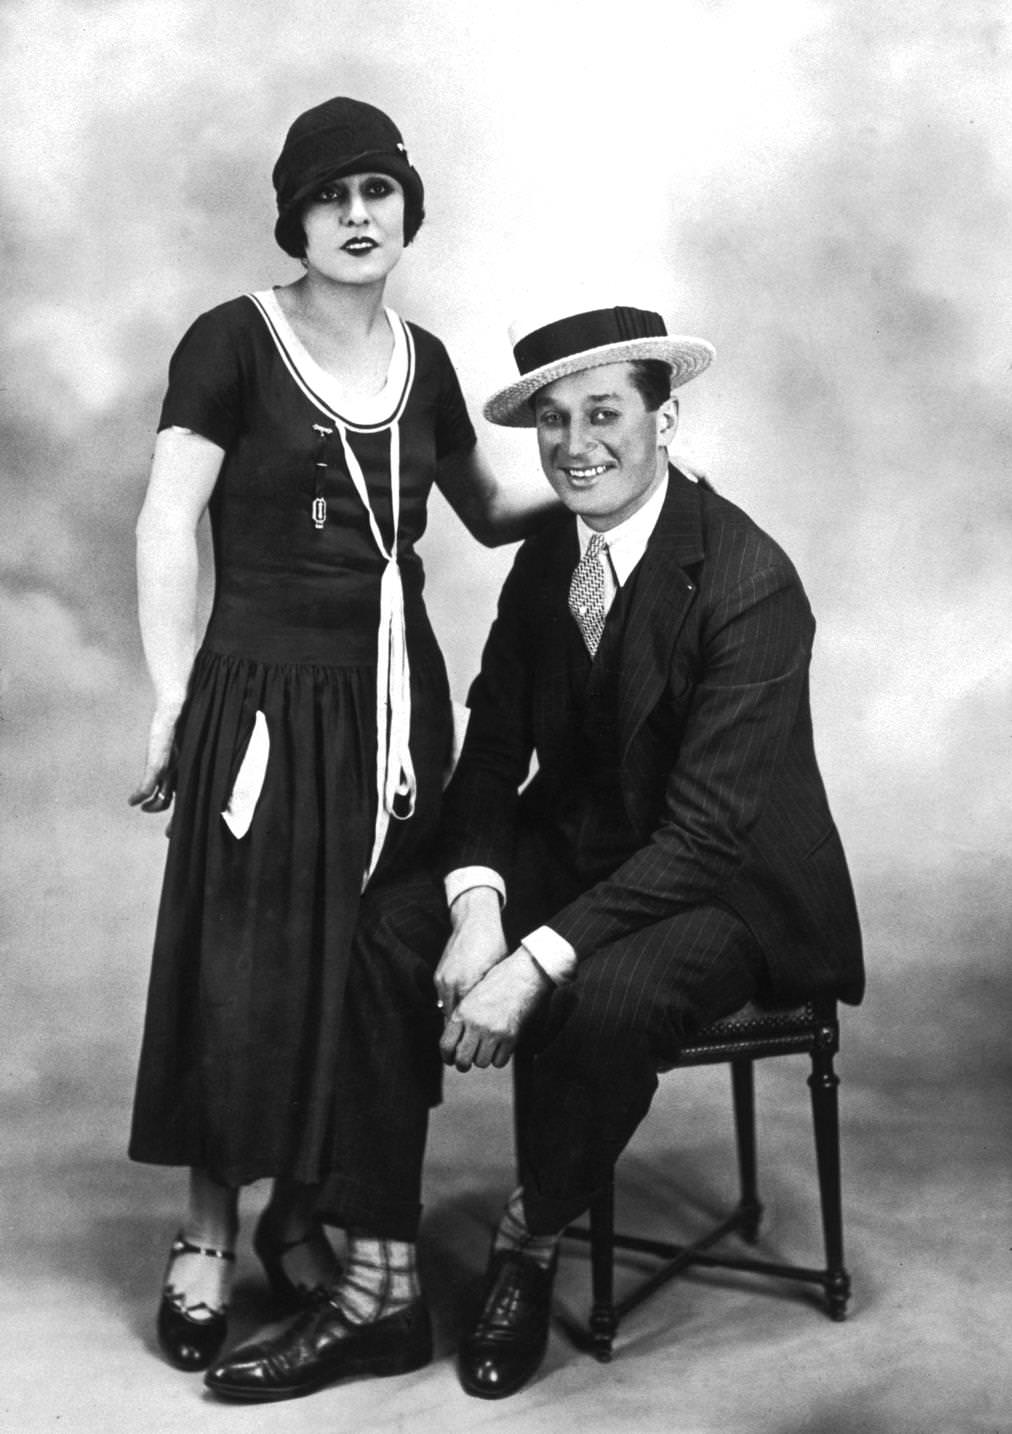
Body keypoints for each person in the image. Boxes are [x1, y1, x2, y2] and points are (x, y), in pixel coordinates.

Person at [202, 299, 863, 1405]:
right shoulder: (552, 548)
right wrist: (473, 907)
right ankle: (379, 1283)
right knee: (388, 929)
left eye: (603, 413)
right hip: (590, 854)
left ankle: (531, 1236)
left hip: (730, 890)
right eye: (549, 422)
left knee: (596, 999)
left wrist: (529, 959)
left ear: (666, 417)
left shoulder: (749, 580)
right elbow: (491, 753)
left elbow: (705, 836)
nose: (574, 445)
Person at [127, 96, 554, 1379]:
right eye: (333, 197)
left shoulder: (424, 362)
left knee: (359, 966)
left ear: (406, 212)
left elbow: (479, 508)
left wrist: (626, 478)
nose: (359, 218)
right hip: (261, 700)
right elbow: (164, 525)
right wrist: (168, 697)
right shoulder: (232, 342)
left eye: (379, 194)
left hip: (393, 712)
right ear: (295, 219)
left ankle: (311, 1220)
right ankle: (208, 1233)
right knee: (242, 965)